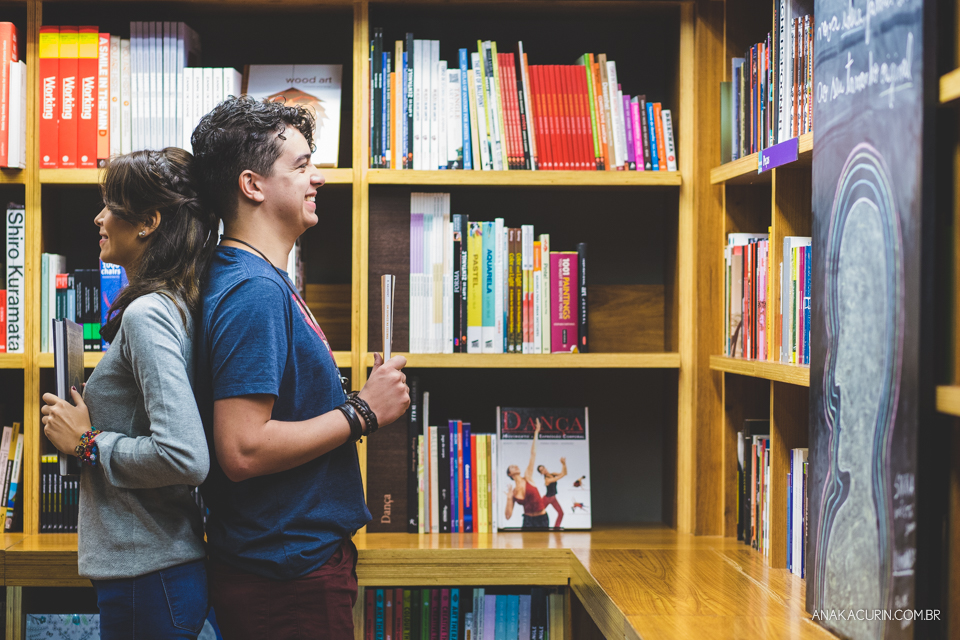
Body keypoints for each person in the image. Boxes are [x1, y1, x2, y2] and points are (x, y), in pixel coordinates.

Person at [190, 96, 410, 640]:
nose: (320, 178)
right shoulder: (253, 291)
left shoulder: (251, 277)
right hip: (285, 579)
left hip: (286, 567)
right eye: (302, 165)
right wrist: (363, 411)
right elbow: (241, 449)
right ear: (253, 185)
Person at [40, 148, 216, 639]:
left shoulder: (148, 315)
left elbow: (184, 457)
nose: (98, 217)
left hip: (150, 575)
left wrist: (87, 443)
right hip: (153, 572)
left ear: (147, 222)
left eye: (110, 204)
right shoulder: (169, 306)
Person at [505, 421, 550, 529]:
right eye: (512, 466)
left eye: (516, 465)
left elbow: (533, 454)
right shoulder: (514, 492)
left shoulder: (528, 477)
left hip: (541, 519)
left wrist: (536, 432)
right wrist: (509, 498)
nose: (516, 466)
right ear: (510, 474)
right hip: (528, 521)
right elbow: (507, 516)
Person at [537, 457, 567, 529]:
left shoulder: (552, 474)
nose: (544, 470)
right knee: (538, 513)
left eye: (544, 468)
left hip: (553, 498)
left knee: (561, 513)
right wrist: (563, 465)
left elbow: (564, 473)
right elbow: (559, 477)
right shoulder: (547, 480)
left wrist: (564, 464)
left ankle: (556, 528)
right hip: (547, 499)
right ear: (541, 473)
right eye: (542, 470)